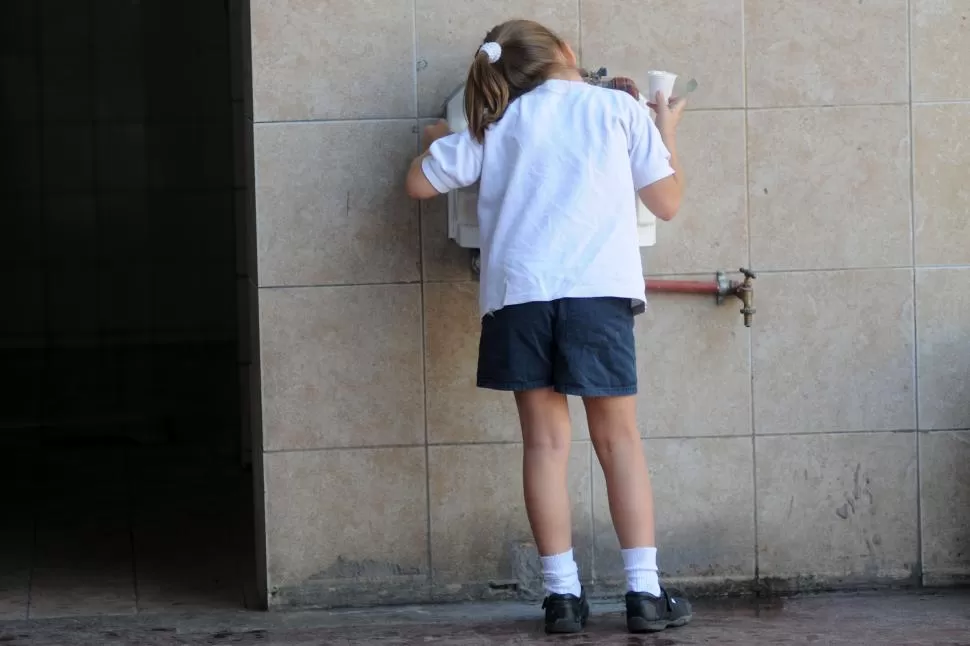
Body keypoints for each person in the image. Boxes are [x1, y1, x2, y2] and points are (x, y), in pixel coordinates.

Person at [405, 19, 690, 635]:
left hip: (520, 297)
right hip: (597, 297)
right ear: (565, 53)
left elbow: (418, 183)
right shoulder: (618, 109)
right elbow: (666, 201)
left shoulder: (495, 121)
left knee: (544, 446)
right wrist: (665, 127)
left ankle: (562, 599)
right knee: (619, 443)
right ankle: (644, 594)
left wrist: (447, 134)